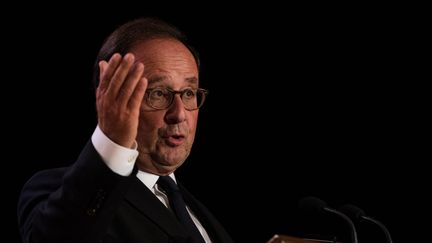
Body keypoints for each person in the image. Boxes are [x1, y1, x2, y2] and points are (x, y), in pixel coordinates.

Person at [17, 17, 234, 243]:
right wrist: (113, 141)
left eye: (188, 93)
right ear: (110, 96)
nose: (179, 114)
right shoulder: (61, 192)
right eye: (158, 93)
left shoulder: (196, 211)